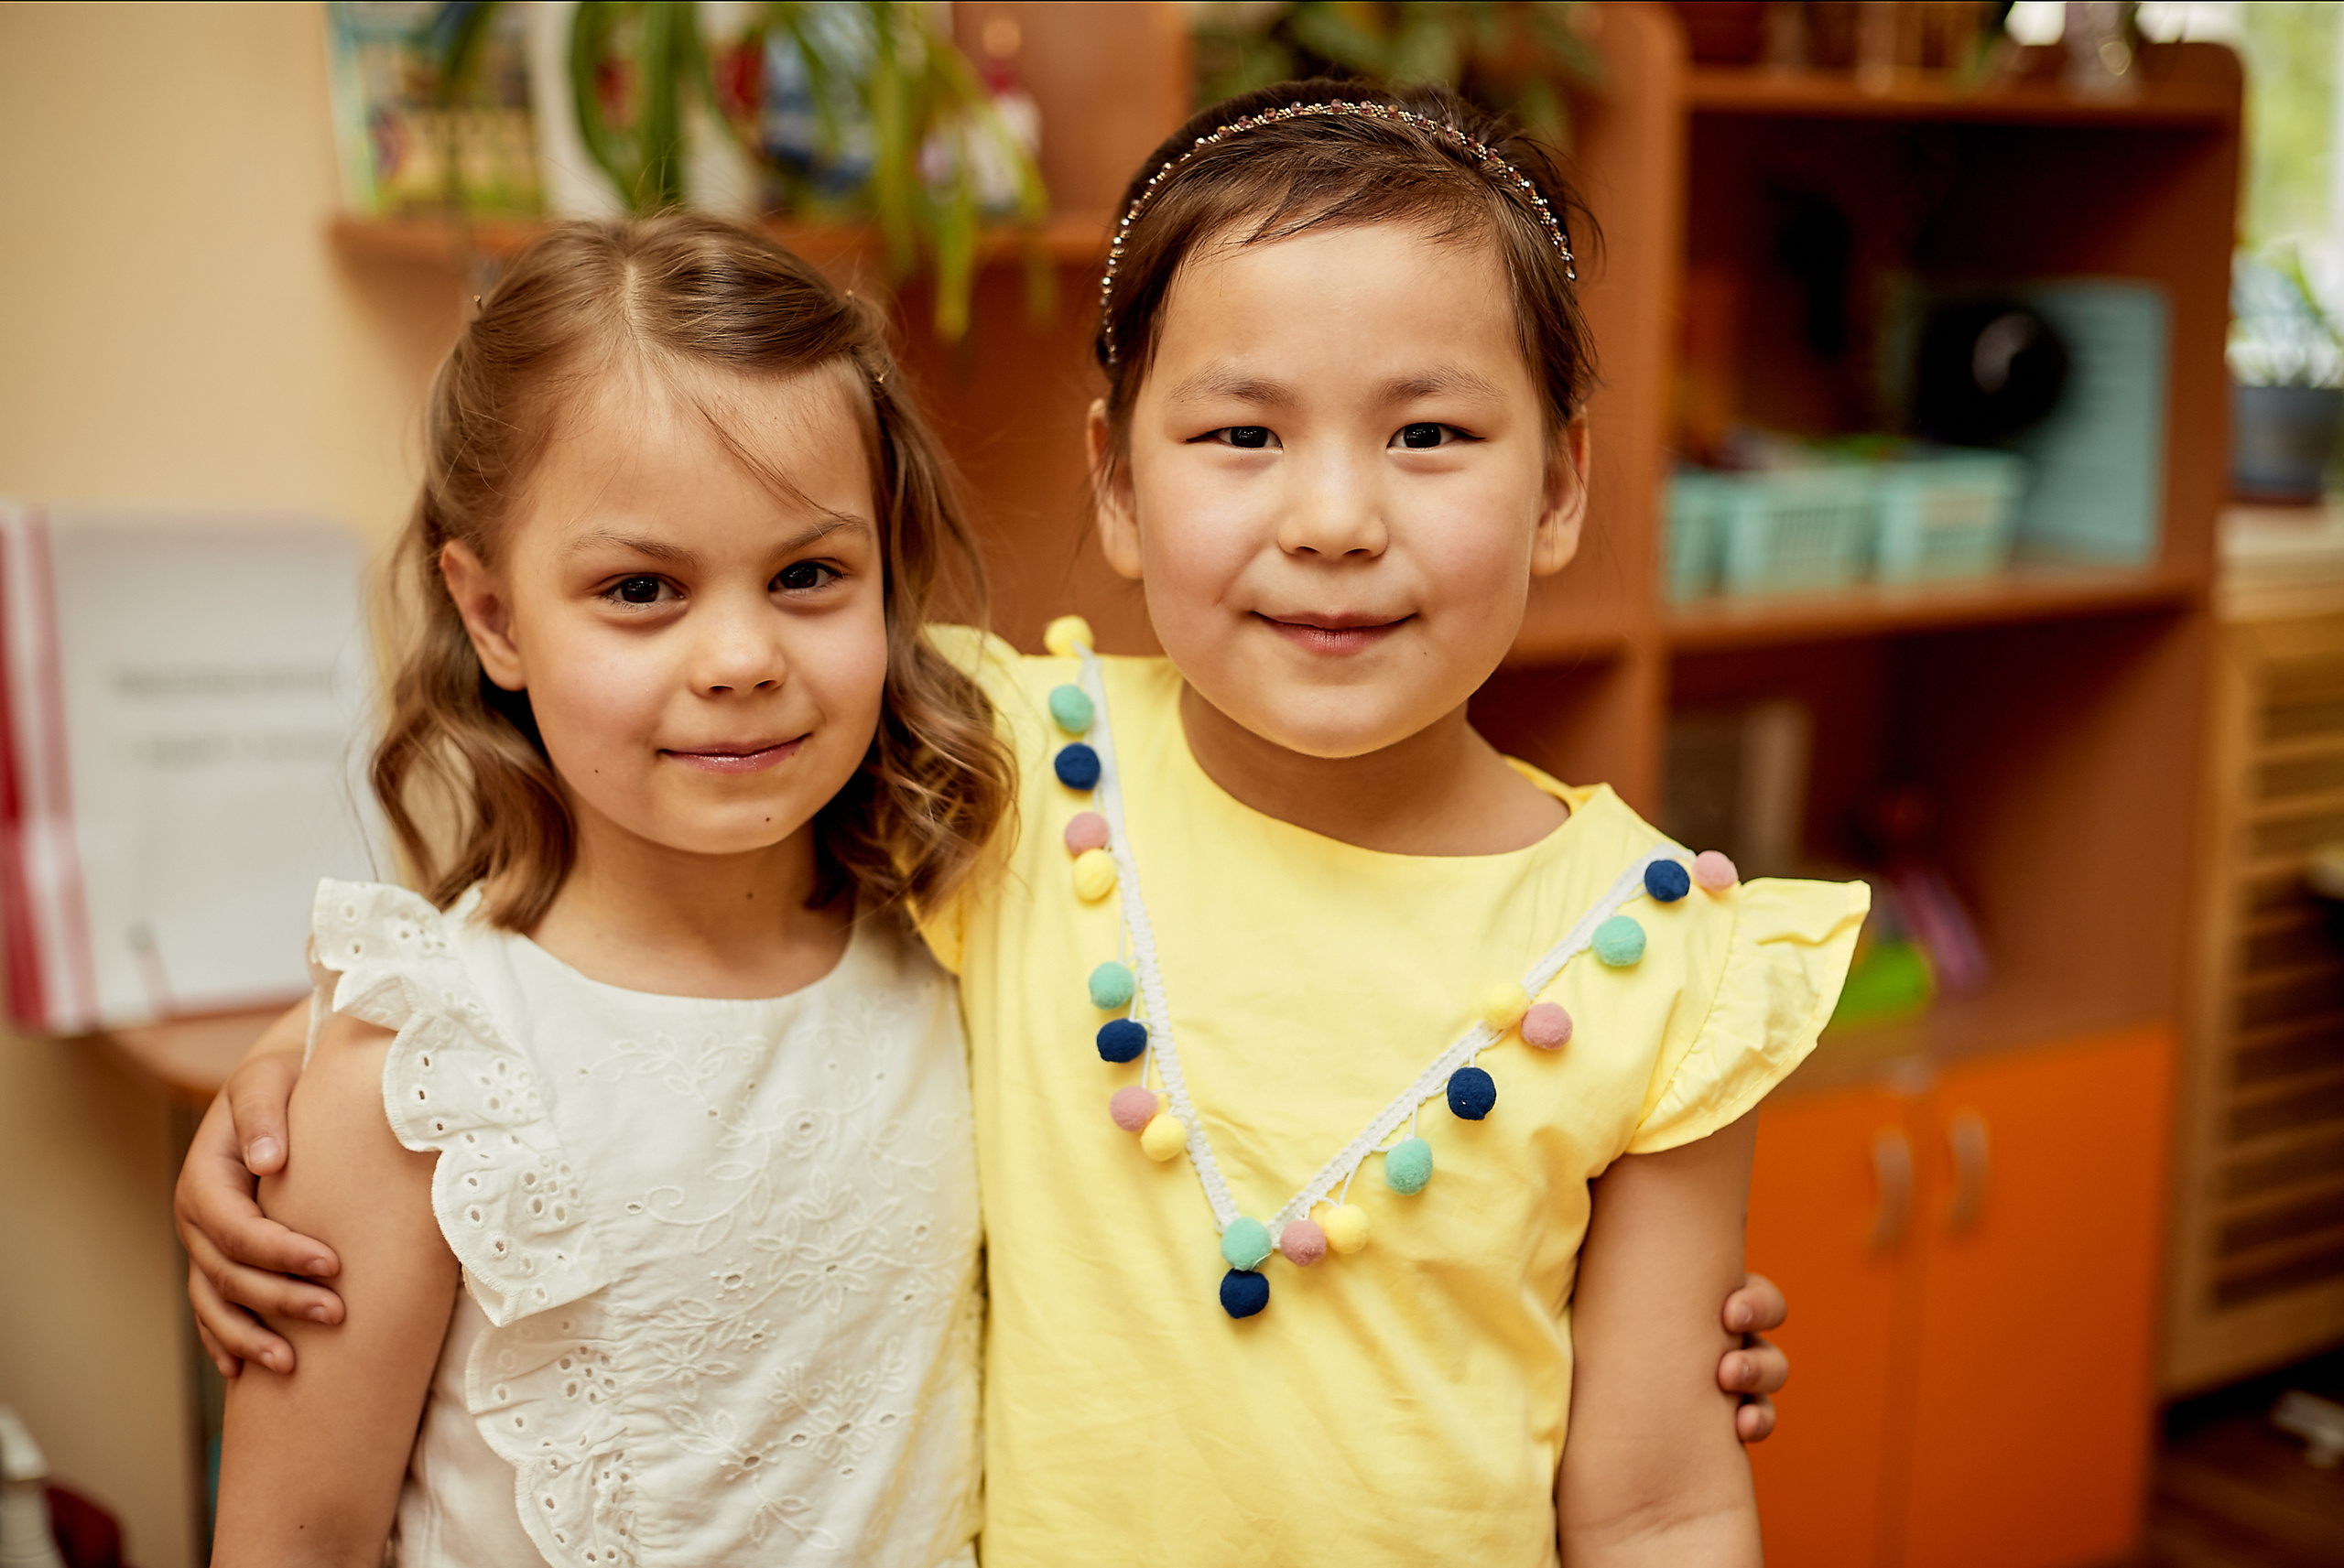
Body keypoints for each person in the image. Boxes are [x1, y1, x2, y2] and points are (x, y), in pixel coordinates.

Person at [178, 86, 1828, 1566]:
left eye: (1431, 434)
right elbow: (635, 917)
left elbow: (1663, 1495)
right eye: (1244, 432)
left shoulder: (1663, 954)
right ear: (1116, 482)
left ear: (1559, 487)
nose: (1334, 520)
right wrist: (316, 1080)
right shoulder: (1018, 768)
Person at [207, 212, 1014, 1567]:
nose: (743, 655)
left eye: (810, 573)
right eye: (643, 588)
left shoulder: (966, 941)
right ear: (495, 616)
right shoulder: (413, 1074)